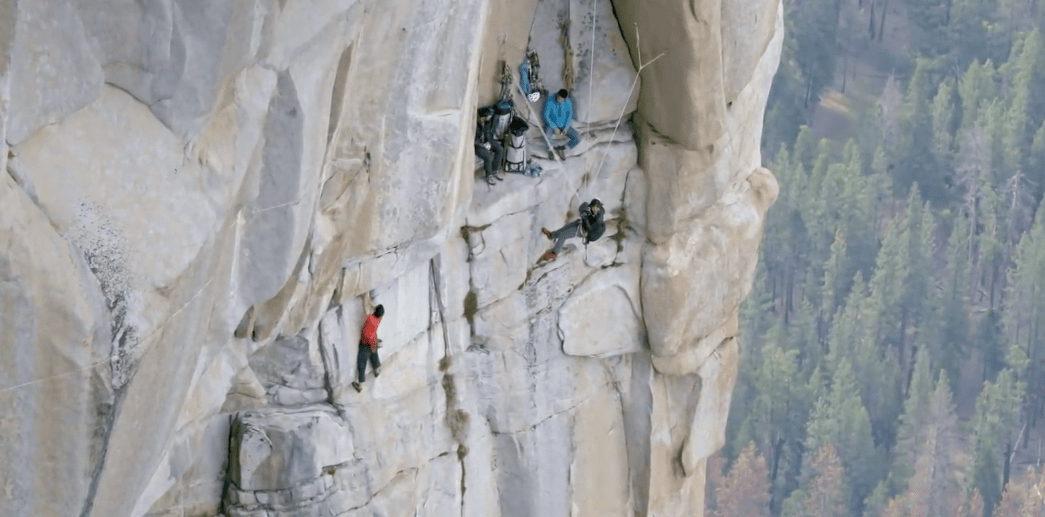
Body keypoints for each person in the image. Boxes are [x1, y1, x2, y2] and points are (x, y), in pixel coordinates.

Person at [540, 198, 605, 261]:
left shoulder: (599, 220)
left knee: (563, 235)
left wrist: (585, 218)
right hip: (580, 223)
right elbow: (584, 208)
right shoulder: (594, 209)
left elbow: (590, 229)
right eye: (592, 206)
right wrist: (584, 209)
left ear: (598, 207)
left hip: (581, 231)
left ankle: (554, 253)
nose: (592, 208)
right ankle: (552, 235)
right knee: (564, 228)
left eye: (594, 207)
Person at [352, 303, 384, 393]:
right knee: (374, 355)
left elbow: (367, 315)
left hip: (365, 343)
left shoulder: (370, 318)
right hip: (373, 341)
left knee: (362, 362)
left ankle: (360, 386)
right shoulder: (378, 319)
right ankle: (377, 370)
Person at [542, 89, 581, 153]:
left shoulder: (568, 102)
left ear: (564, 98)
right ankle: (551, 149)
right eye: (558, 97)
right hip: (552, 125)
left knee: (578, 138)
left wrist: (566, 128)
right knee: (546, 135)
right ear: (557, 94)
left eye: (561, 99)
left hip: (564, 126)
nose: (559, 100)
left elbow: (569, 116)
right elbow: (546, 115)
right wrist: (555, 128)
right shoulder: (550, 100)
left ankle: (562, 149)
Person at [475, 106, 505, 185]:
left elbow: (488, 135)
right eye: (488, 115)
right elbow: (473, 140)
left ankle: (495, 170)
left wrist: (488, 142)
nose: (490, 117)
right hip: (478, 145)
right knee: (488, 156)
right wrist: (483, 145)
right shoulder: (476, 125)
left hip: (486, 142)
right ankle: (489, 175)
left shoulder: (487, 123)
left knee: (500, 149)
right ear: (483, 117)